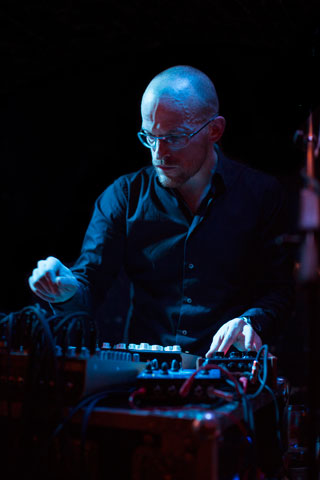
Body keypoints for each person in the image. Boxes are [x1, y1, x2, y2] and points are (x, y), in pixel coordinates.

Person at [28, 65, 294, 357]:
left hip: (230, 372)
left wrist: (251, 321)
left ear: (214, 130)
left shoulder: (263, 195)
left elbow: (282, 290)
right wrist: (66, 291)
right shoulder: (124, 196)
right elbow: (88, 283)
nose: (159, 153)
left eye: (174, 137)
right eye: (149, 137)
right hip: (142, 375)